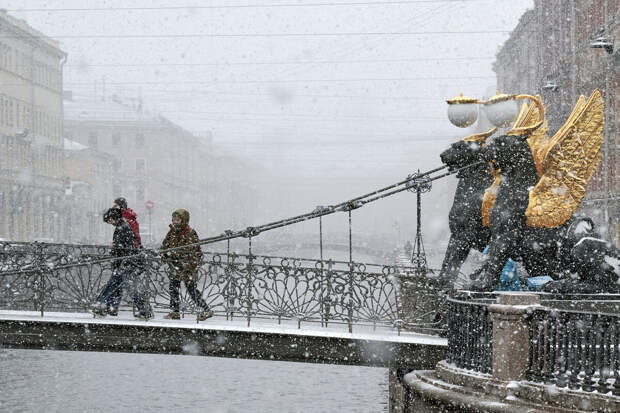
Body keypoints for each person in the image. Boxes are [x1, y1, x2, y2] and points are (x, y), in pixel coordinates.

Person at [91, 207, 153, 320]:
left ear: (114, 218)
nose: (110, 223)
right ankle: (103, 306)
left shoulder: (122, 228)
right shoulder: (123, 226)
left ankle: (102, 305)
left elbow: (123, 247)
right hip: (128, 262)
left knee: (124, 286)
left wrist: (114, 249)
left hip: (127, 263)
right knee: (119, 285)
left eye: (110, 220)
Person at [160, 209, 213, 321]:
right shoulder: (172, 231)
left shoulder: (190, 232)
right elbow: (165, 245)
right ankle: (175, 311)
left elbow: (194, 251)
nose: (175, 222)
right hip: (176, 265)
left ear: (183, 220)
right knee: (173, 287)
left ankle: (206, 309)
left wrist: (188, 264)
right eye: (174, 219)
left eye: (177, 220)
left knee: (191, 289)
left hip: (188, 267)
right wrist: (164, 253)